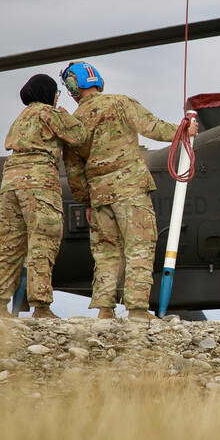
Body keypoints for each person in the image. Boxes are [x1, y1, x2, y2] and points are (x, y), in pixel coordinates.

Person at [61, 62, 197, 321]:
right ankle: (136, 309)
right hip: (130, 190)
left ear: (73, 88)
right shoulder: (120, 103)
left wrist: (86, 202)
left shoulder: (74, 123)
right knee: (139, 246)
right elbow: (152, 127)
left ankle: (104, 309)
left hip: (99, 196)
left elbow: (73, 169)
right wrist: (183, 130)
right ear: (97, 81)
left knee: (106, 252)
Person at [0, 75, 87, 318]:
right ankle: (41, 306)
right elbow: (80, 136)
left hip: (10, 180)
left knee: (10, 246)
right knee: (43, 240)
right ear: (48, 93)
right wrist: (64, 113)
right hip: (38, 179)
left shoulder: (20, 118)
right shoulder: (47, 113)